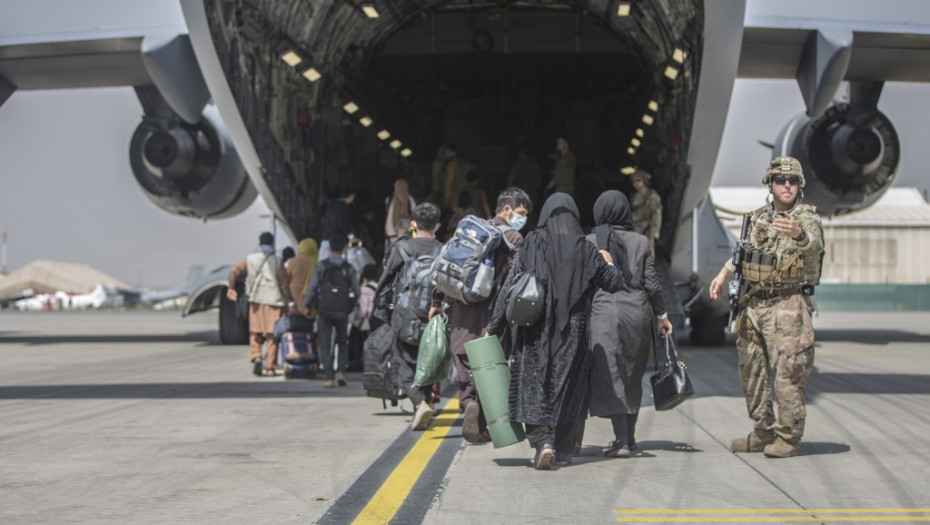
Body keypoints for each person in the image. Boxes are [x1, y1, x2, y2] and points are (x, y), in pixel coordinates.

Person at [487, 193, 623, 470]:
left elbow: (511, 286)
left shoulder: (534, 243)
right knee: (569, 390)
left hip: (536, 329)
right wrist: (607, 260)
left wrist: (496, 326)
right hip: (574, 332)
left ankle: (541, 442)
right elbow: (614, 283)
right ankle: (561, 450)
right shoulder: (586, 249)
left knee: (533, 386)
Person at [708, 156, 825, 458]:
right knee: (752, 370)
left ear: (800, 186)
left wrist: (798, 234)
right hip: (754, 306)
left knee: (787, 372)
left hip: (788, 304)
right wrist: (723, 275)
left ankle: (788, 438)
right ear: (770, 184)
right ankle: (763, 431)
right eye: (781, 181)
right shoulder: (759, 216)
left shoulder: (805, 218)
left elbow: (813, 243)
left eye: (793, 181)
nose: (787, 186)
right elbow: (742, 253)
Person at [429, 187, 533, 443]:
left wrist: (436, 301)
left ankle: (468, 405)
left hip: (461, 313)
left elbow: (447, 265)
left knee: (464, 360)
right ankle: (480, 414)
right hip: (491, 315)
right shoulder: (514, 238)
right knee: (489, 366)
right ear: (506, 208)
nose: (522, 217)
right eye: (521, 212)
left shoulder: (471, 230)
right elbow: (513, 282)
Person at [586, 190, 673, 458]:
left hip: (603, 312)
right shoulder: (641, 242)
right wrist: (662, 315)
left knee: (610, 375)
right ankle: (630, 438)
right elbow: (652, 284)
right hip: (638, 313)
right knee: (632, 375)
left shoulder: (590, 240)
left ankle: (622, 439)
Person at [376, 202, 443, 430]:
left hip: (405, 315)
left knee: (403, 363)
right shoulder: (443, 250)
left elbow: (385, 281)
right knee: (428, 361)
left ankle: (418, 402)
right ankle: (424, 401)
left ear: (413, 223)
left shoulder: (401, 249)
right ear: (438, 225)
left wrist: (381, 309)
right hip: (434, 316)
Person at [227, 232, 289, 376]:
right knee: (272, 336)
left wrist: (231, 288)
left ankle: (256, 356)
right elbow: (284, 284)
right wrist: (288, 300)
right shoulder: (277, 261)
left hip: (255, 301)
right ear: (272, 243)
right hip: (274, 301)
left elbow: (234, 270)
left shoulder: (250, 259)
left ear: (259, 243)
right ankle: (270, 367)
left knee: (255, 332)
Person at [305, 236, 361, 388]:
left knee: (324, 343)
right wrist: (349, 306)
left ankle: (328, 377)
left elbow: (312, 287)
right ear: (344, 250)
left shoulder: (321, 266)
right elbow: (357, 291)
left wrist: (308, 304)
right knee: (342, 342)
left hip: (324, 309)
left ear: (328, 249)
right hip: (342, 310)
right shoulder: (349, 268)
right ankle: (341, 371)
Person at [283, 238, 318, 316]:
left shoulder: (293, 262)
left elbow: (286, 280)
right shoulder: (317, 262)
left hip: (295, 301)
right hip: (312, 302)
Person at [319, 187, 356, 261]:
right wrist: (351, 236)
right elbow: (342, 223)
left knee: (324, 265)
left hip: (326, 240)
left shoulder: (331, 206)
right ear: (351, 196)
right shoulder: (343, 207)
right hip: (337, 244)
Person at [629, 169, 662, 251]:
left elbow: (656, 214)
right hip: (634, 231)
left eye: (639, 180)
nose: (635, 183)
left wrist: (653, 234)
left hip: (646, 232)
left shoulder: (651, 195)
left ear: (644, 181)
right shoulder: (634, 197)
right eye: (634, 181)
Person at [384, 179, 417, 245]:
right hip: (407, 234)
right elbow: (416, 215)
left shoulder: (389, 200)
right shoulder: (410, 200)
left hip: (391, 234)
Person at [443, 145, 466, 212]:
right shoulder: (460, 163)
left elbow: (449, 183)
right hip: (462, 196)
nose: (446, 155)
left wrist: (446, 200)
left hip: (454, 197)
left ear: (454, 153)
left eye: (448, 152)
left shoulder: (451, 165)